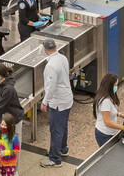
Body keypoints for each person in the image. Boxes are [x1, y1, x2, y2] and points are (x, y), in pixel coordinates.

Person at [35, 37, 74, 169]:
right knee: (63, 126)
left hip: (58, 101)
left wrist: (44, 102)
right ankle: (62, 149)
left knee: (56, 129)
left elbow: (51, 87)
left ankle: (55, 159)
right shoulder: (62, 58)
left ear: (45, 49)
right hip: (67, 98)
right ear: (56, 47)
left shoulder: (51, 66)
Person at [94, 72, 124, 146]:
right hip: (104, 134)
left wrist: (119, 114)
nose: (116, 87)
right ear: (109, 86)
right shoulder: (105, 101)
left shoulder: (110, 95)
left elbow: (109, 110)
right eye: (115, 85)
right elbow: (107, 122)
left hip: (109, 132)